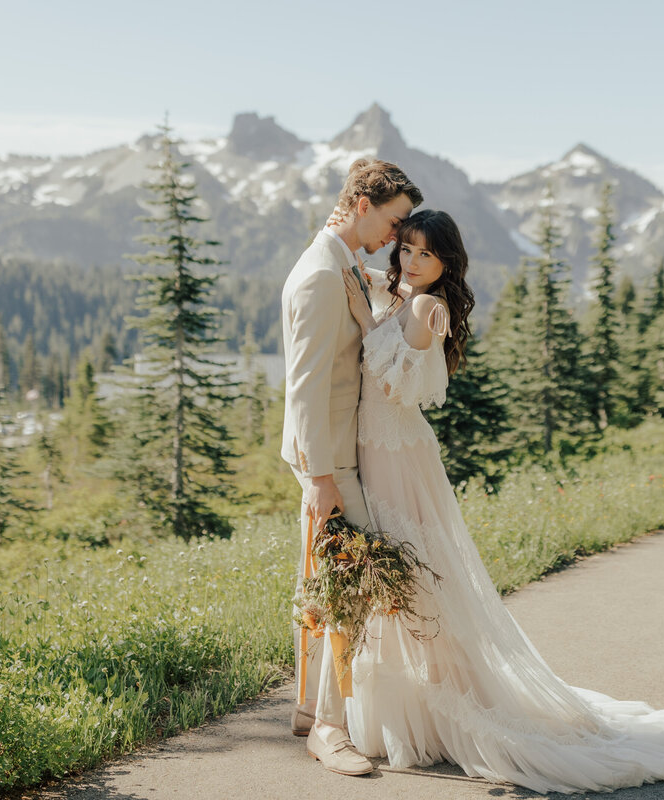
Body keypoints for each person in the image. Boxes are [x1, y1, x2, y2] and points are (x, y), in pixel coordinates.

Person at [339, 209, 664, 793]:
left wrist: (364, 315)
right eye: (405, 249)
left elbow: (399, 385)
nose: (410, 261)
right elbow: (352, 267)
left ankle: (450, 704)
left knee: (418, 577)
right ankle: (407, 704)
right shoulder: (398, 290)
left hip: (399, 455)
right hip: (373, 452)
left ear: (446, 263)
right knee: (394, 579)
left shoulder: (431, 307)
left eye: (425, 255)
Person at [279, 157, 423, 776]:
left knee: (324, 580)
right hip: (330, 458)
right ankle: (330, 730)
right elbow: (304, 387)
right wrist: (319, 477)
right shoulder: (318, 274)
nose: (395, 236)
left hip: (337, 453)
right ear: (362, 205)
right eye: (393, 221)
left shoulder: (337, 260)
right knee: (350, 586)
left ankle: (311, 711)